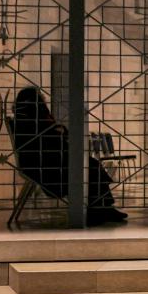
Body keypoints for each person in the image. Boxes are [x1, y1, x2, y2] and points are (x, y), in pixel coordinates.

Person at [12, 87, 127, 226]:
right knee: (90, 166)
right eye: (41, 98)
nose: (44, 100)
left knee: (90, 165)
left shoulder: (27, 119)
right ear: (34, 102)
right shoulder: (29, 120)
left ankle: (103, 208)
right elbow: (42, 141)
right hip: (47, 167)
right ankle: (99, 209)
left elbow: (46, 137)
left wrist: (58, 132)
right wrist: (58, 133)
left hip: (50, 162)